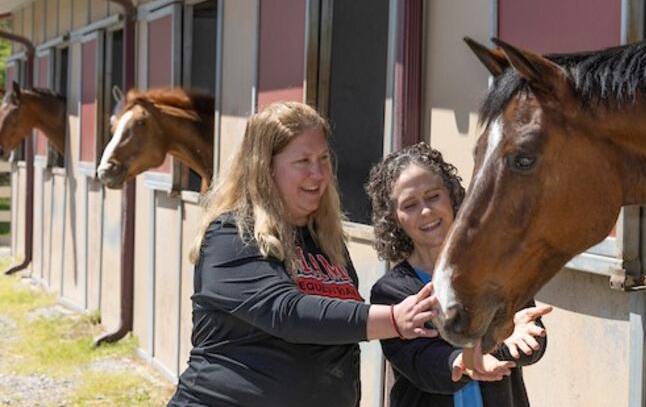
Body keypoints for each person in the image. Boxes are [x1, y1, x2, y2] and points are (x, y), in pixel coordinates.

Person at [168, 102, 439, 407]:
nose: (319, 172)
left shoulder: (324, 240)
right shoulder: (231, 234)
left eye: (324, 158)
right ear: (265, 167)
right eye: (303, 161)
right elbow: (287, 312)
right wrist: (392, 318)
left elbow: (335, 329)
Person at [366, 142, 552, 407]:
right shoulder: (390, 293)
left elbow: (531, 347)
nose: (426, 211)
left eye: (433, 196)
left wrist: (521, 338)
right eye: (410, 205)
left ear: (452, 196)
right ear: (393, 218)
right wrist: (493, 343)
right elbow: (424, 363)